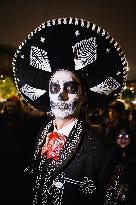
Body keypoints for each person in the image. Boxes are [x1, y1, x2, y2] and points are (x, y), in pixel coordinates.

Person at [12, 17, 129, 204]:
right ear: (47, 94)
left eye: (71, 88)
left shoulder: (105, 153)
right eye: (54, 88)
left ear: (83, 95)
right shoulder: (41, 133)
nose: (61, 95)